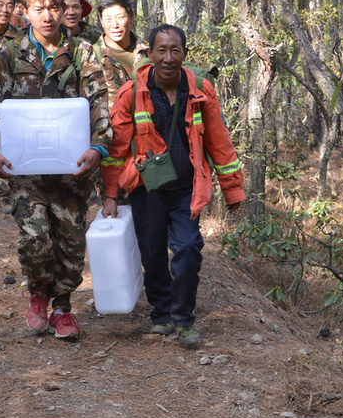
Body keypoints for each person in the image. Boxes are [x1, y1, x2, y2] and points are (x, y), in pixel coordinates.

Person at [0, 0, 112, 341]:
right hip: (25, 170)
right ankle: (37, 293)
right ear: (25, 12)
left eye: (54, 8)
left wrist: (99, 146)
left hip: (72, 171)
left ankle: (63, 308)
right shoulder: (8, 55)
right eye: (39, 9)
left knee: (69, 241)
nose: (48, 16)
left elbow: (101, 104)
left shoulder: (82, 53)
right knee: (36, 237)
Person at [102, 24, 244, 346]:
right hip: (145, 189)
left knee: (187, 248)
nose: (168, 57)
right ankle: (161, 315)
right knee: (151, 254)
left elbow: (219, 141)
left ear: (184, 54)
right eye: (161, 50)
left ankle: (183, 320)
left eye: (175, 50)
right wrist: (111, 195)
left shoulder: (200, 89)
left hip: (186, 188)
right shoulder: (131, 93)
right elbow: (117, 150)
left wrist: (233, 189)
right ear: (149, 54)